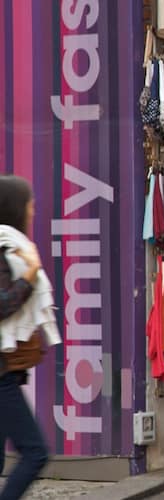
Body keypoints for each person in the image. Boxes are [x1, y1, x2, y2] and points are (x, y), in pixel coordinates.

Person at [0, 176, 50, 500]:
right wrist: (31, 274)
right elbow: (2, 303)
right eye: (30, 205)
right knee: (35, 452)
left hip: (6, 373)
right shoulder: (4, 248)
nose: (33, 211)